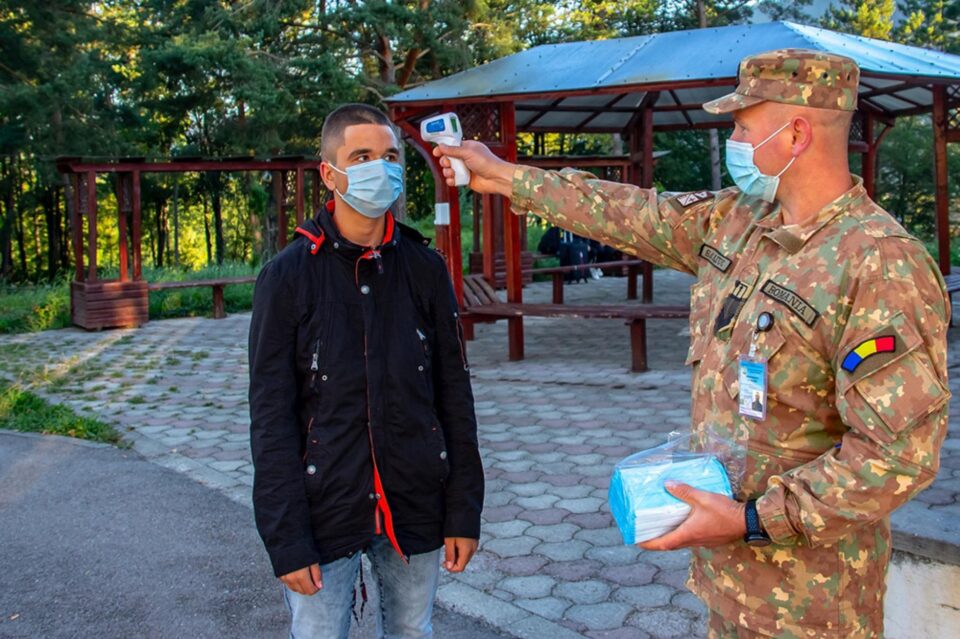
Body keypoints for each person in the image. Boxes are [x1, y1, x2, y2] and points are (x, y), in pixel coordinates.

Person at [433, 50, 949, 639]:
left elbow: (895, 455)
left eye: (744, 126)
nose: (734, 139)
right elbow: (631, 213)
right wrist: (500, 174)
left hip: (813, 602)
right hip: (729, 582)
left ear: (797, 133)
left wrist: (750, 519)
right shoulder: (742, 222)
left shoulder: (878, 263)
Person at [249, 103, 483, 639]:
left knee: (411, 630)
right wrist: (285, 537)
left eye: (390, 156)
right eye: (363, 156)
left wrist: (463, 509)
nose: (382, 167)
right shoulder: (286, 278)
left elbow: (454, 394)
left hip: (416, 497)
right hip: (322, 505)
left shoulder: (425, 269)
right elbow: (270, 417)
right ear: (330, 173)